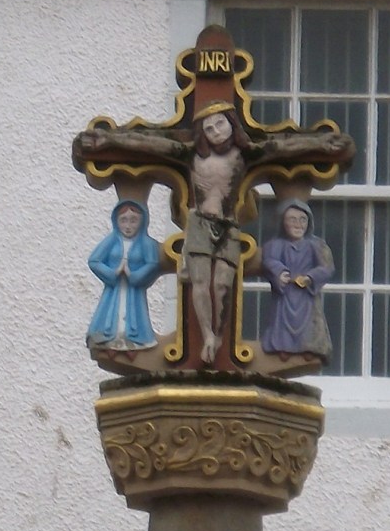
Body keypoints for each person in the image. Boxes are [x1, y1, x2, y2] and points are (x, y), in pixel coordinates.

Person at [73, 104, 353, 363]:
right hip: (200, 223)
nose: (216, 131)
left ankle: (217, 334)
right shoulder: (190, 154)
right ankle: (207, 334)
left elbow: (282, 148)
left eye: (220, 124)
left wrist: (322, 144)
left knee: (221, 284)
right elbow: (149, 145)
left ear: (232, 123)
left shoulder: (247, 154)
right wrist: (109, 141)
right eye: (209, 128)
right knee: (199, 282)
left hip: (228, 225)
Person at [261, 199, 334, 361]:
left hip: (306, 294)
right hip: (285, 292)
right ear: (283, 223)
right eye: (292, 220)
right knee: (282, 320)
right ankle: (283, 348)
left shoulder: (316, 245)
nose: (298, 225)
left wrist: (310, 277)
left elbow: (327, 268)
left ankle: (308, 347)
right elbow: (269, 261)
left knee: (308, 322)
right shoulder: (275, 245)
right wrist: (279, 272)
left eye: (303, 220)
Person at [86, 200, 160, 352]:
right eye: (123, 220)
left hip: (133, 291)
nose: (128, 226)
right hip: (115, 290)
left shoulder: (146, 243)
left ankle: (134, 341)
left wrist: (133, 275)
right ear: (116, 221)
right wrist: (113, 272)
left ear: (142, 221)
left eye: (133, 221)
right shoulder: (112, 240)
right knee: (111, 316)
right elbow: (94, 260)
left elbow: (152, 264)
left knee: (133, 314)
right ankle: (109, 339)